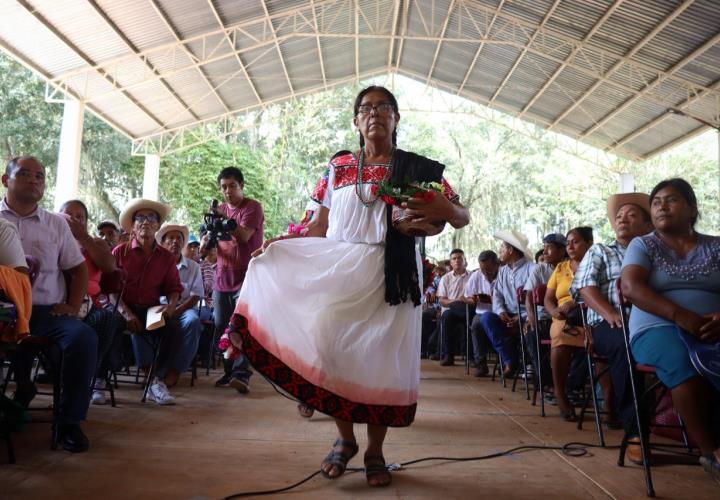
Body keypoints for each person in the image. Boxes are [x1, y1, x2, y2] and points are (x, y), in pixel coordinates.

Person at [227, 86, 469, 487]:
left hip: (394, 275)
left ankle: (374, 451)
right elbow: (318, 227)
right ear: (356, 121)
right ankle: (344, 439)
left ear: (396, 119)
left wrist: (446, 209)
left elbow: (459, 215)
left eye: (384, 107)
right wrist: (280, 245)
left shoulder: (418, 168)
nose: (375, 113)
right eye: (366, 108)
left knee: (381, 362)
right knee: (330, 347)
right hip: (340, 268)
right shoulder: (338, 166)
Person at [621, 178, 720, 483]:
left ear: (692, 209)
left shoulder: (716, 245)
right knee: (683, 362)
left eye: (672, 200)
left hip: (713, 327)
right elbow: (631, 287)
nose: (662, 206)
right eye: (656, 201)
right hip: (657, 326)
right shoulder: (644, 245)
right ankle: (712, 452)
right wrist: (681, 316)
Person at [1, 156, 97, 453]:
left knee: (83, 338)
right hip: (2, 311)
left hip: (44, 311)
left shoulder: (55, 224)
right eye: (25, 174)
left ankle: (69, 422)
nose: (34, 180)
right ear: (6, 180)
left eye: (40, 176)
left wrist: (72, 304)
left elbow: (78, 269)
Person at [571, 192, 653, 463]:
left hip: (651, 322)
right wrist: (610, 313)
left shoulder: (655, 252)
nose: (622, 220)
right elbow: (583, 288)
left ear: (647, 224)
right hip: (609, 324)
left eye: (631, 215)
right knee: (624, 344)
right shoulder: (600, 251)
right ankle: (635, 433)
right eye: (619, 216)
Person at [112, 198, 184, 405]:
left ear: (158, 225)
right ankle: (99, 378)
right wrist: (126, 313)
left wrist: (170, 307)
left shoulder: (166, 257)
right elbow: (111, 290)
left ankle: (155, 380)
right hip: (123, 307)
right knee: (107, 325)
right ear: (133, 226)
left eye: (151, 218)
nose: (146, 222)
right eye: (140, 218)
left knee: (171, 326)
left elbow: (173, 288)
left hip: (150, 308)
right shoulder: (120, 252)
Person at [199, 166, 264, 394]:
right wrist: (206, 239)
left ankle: (242, 374)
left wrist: (225, 217)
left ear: (241, 186)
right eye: (224, 187)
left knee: (242, 326)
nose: (227, 191)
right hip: (222, 277)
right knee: (220, 326)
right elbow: (208, 251)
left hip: (247, 276)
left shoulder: (252, 207)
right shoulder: (219, 212)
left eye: (232, 186)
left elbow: (245, 236)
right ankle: (229, 372)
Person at [59, 200, 120, 406]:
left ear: (85, 222)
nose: (73, 220)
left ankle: (88, 378)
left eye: (79, 217)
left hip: (90, 307)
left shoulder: (96, 243)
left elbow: (110, 267)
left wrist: (82, 238)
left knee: (108, 319)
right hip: (58, 303)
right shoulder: (52, 238)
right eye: (68, 216)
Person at [544, 227, 600, 421]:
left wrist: (575, 302)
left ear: (589, 244)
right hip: (564, 318)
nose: (570, 246)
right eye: (567, 243)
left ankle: (605, 400)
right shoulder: (561, 268)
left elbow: (600, 291)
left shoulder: (597, 263)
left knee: (598, 340)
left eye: (575, 242)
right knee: (560, 335)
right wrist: (554, 311)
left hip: (591, 314)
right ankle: (561, 394)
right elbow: (548, 298)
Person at [480, 230, 534, 377]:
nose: (500, 251)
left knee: (530, 323)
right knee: (485, 318)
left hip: (527, 315)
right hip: (506, 315)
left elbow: (535, 301)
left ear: (510, 250)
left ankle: (526, 363)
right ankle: (510, 360)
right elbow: (497, 294)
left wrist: (521, 316)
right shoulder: (503, 271)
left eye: (502, 248)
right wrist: (501, 312)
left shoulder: (532, 269)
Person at [157, 223, 205, 380]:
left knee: (193, 322)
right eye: (170, 238)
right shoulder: (155, 264)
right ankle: (152, 370)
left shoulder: (193, 267)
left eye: (179, 238)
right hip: (159, 307)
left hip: (184, 308)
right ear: (162, 243)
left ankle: (176, 370)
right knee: (150, 322)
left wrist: (177, 311)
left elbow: (196, 294)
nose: (175, 241)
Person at [523, 234, 567, 388]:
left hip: (565, 318)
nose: (544, 252)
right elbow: (528, 295)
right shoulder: (539, 269)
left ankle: (570, 384)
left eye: (549, 248)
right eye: (544, 247)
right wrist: (531, 318)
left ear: (562, 250)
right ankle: (546, 383)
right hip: (543, 318)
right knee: (532, 333)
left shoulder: (570, 268)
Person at [464, 250, 499, 376]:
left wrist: (493, 300)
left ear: (497, 264)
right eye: (482, 269)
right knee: (476, 324)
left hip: (501, 312)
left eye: (488, 269)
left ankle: (505, 362)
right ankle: (480, 363)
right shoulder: (476, 276)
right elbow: (466, 297)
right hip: (482, 312)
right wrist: (473, 300)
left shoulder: (504, 274)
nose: (485, 272)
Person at [436, 248, 472, 366]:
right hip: (450, 310)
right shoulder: (445, 278)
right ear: (450, 263)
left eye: (460, 258)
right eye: (454, 259)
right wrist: (457, 301)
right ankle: (448, 355)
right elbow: (442, 301)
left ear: (465, 260)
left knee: (471, 317)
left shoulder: (472, 276)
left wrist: (465, 301)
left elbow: (476, 297)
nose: (457, 261)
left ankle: (470, 356)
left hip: (467, 308)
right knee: (447, 317)